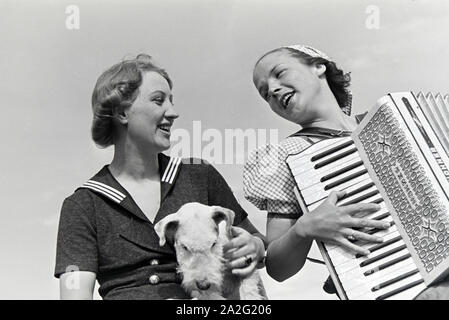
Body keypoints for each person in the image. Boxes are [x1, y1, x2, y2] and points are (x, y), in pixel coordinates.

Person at [54, 54, 267, 300]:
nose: (173, 112)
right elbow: (75, 296)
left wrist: (256, 247)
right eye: (159, 101)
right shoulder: (82, 205)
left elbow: (258, 243)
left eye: (171, 101)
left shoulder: (199, 175)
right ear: (122, 113)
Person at [243, 45, 391, 295]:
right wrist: (304, 228)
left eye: (280, 73)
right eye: (266, 93)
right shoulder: (287, 156)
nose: (274, 90)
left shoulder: (390, 119)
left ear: (319, 66)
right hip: (386, 283)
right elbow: (279, 269)